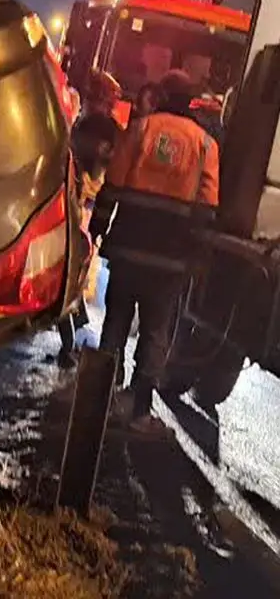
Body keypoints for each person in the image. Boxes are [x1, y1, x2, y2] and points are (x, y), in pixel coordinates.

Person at [89, 70, 220, 435]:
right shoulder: (206, 146)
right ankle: (140, 410)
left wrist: (97, 227)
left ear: (162, 96)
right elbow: (207, 212)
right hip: (170, 261)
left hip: (129, 250)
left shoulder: (140, 130)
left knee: (115, 322)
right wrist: (197, 259)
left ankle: (97, 400)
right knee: (155, 332)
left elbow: (111, 185)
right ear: (192, 100)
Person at [55, 71, 124, 367]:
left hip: (82, 205)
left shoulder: (96, 127)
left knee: (71, 272)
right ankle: (72, 335)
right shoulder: (109, 129)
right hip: (83, 204)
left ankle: (71, 338)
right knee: (72, 273)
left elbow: (92, 169)